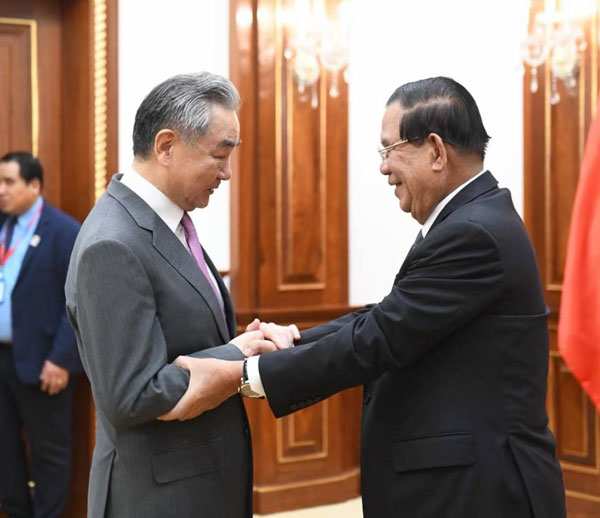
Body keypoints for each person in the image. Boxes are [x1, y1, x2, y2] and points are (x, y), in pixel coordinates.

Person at [169, 77, 567, 517]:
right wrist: (294, 340)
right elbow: (391, 315)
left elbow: (380, 336)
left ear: (436, 151)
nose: (383, 168)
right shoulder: (472, 218)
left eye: (389, 150)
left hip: (481, 491)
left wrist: (243, 375)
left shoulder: (473, 232)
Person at [64, 73, 284, 518]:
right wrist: (237, 356)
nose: (227, 172)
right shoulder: (114, 243)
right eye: (220, 154)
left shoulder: (168, 223)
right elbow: (133, 393)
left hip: (197, 484)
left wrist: (240, 345)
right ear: (166, 146)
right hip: (159, 496)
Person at [0, 151, 81, 518]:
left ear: (34, 186)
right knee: (5, 451)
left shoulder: (63, 232)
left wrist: (62, 359)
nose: (1, 190)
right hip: (2, 359)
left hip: (43, 362)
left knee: (49, 454)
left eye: (9, 182)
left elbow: (76, 303)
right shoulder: (2, 226)